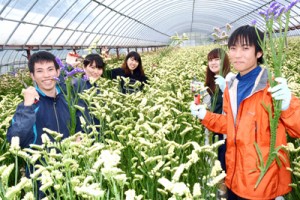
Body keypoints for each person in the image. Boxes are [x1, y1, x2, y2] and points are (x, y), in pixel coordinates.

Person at [190, 25, 300, 199]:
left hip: (262, 184)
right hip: (234, 178)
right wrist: (206, 116)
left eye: (245, 48)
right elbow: (231, 126)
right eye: (233, 48)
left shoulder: (272, 86)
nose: (237, 54)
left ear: (259, 53)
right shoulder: (231, 86)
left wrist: (288, 106)